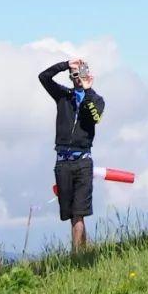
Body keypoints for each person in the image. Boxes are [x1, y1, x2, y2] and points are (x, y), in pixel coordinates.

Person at [39, 57, 106, 252]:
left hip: (83, 161)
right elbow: (43, 77)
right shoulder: (63, 96)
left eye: (82, 75)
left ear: (89, 76)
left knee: (79, 213)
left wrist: (87, 91)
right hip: (62, 162)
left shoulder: (96, 99)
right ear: (70, 77)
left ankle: (76, 256)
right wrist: (66, 64)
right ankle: (84, 250)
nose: (78, 79)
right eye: (75, 75)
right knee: (71, 214)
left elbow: (95, 117)